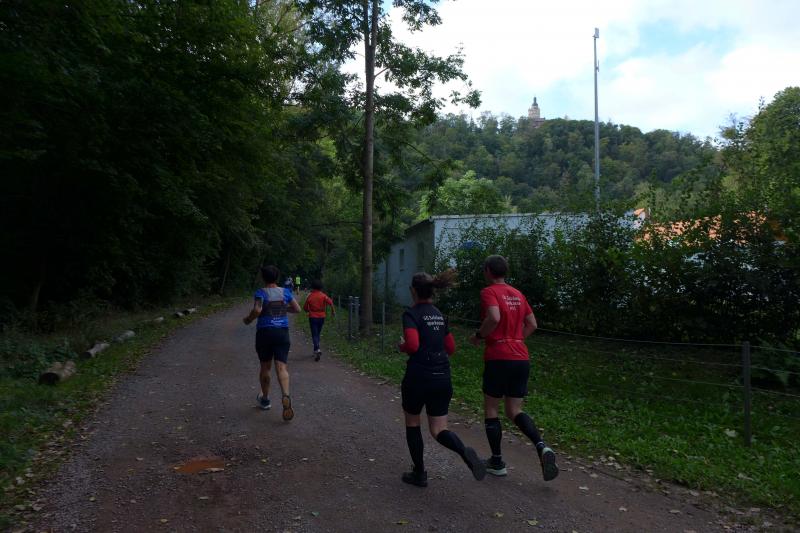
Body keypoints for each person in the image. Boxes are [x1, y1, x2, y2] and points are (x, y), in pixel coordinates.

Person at [469, 255, 558, 481]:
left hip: (498, 356)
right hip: (520, 357)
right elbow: (533, 324)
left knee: (492, 409)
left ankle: (497, 461)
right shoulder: (518, 294)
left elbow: (493, 317)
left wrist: (479, 335)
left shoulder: (489, 291)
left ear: (488, 270)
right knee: (514, 410)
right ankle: (542, 446)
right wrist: (516, 340)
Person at [398, 270, 486, 487]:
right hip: (442, 377)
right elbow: (451, 348)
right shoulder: (439, 315)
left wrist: (402, 346)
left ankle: (419, 474)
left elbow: (413, 345)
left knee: (413, 422)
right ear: (432, 291)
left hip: (418, 377)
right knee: (439, 430)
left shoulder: (411, 314)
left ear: (413, 291)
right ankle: (463, 451)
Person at [244, 265, 302, 421]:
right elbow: (297, 309)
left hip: (265, 332)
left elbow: (257, 310)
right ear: (277, 277)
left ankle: (265, 400)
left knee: (265, 367)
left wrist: (248, 319)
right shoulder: (285, 292)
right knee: (281, 367)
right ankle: (286, 396)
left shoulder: (261, 292)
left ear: (263, 278)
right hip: (282, 332)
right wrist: (282, 309)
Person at [302, 279, 336, 361]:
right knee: (318, 333)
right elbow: (331, 302)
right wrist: (333, 311)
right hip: (322, 317)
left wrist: (308, 311)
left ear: (312, 287)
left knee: (314, 334)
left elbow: (305, 308)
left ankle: (317, 349)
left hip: (313, 317)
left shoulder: (310, 296)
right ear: (321, 287)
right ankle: (316, 350)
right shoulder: (323, 296)